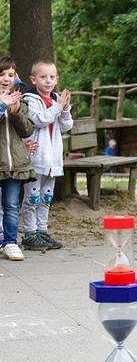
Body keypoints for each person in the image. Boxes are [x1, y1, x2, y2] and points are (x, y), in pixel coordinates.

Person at [20, 59, 73, 251]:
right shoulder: (30, 100)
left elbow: (66, 126)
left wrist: (65, 110)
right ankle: (29, 233)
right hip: (36, 159)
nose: (48, 81)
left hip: (53, 160)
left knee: (46, 197)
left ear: (57, 79)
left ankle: (42, 230)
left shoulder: (56, 100)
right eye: (43, 77)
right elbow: (39, 120)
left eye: (52, 77)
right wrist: (58, 108)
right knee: (32, 197)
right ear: (33, 80)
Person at [0, 56, 36, 260]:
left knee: (12, 205)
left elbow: (26, 131)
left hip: (15, 165)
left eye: (11, 75)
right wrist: (2, 105)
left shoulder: (19, 101)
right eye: (2, 74)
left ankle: (11, 242)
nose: (6, 78)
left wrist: (15, 113)